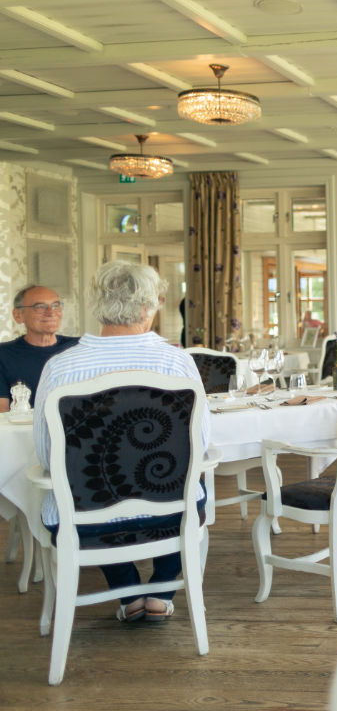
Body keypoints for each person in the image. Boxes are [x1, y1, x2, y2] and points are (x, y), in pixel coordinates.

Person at [34, 261, 211, 624]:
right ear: (149, 306)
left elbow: (47, 454)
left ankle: (129, 592)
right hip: (172, 517)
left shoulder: (60, 367)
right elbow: (202, 442)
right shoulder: (177, 363)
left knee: (83, 488)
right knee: (196, 481)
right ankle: (160, 591)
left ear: (96, 303)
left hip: (84, 522)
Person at [0, 285, 79, 411]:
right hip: (24, 430)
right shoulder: (3, 355)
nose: (51, 312)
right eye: (40, 307)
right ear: (18, 315)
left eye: (56, 305)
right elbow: (2, 414)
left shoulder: (79, 347)